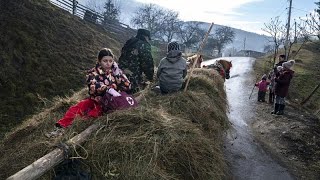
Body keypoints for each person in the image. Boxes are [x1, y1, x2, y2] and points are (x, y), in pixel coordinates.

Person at [46, 48, 131, 137]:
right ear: (99, 61)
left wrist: (119, 74)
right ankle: (60, 127)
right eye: (105, 61)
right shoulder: (93, 73)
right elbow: (93, 85)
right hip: (95, 100)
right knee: (77, 108)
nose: (108, 63)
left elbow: (128, 86)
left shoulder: (115, 72)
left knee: (92, 115)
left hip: (109, 103)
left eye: (110, 61)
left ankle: (72, 129)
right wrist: (106, 89)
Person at [118, 29, 154, 93]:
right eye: (148, 38)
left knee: (120, 91)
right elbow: (147, 63)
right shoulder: (144, 45)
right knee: (131, 94)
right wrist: (150, 77)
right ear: (146, 36)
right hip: (132, 75)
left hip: (120, 71)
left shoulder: (130, 41)